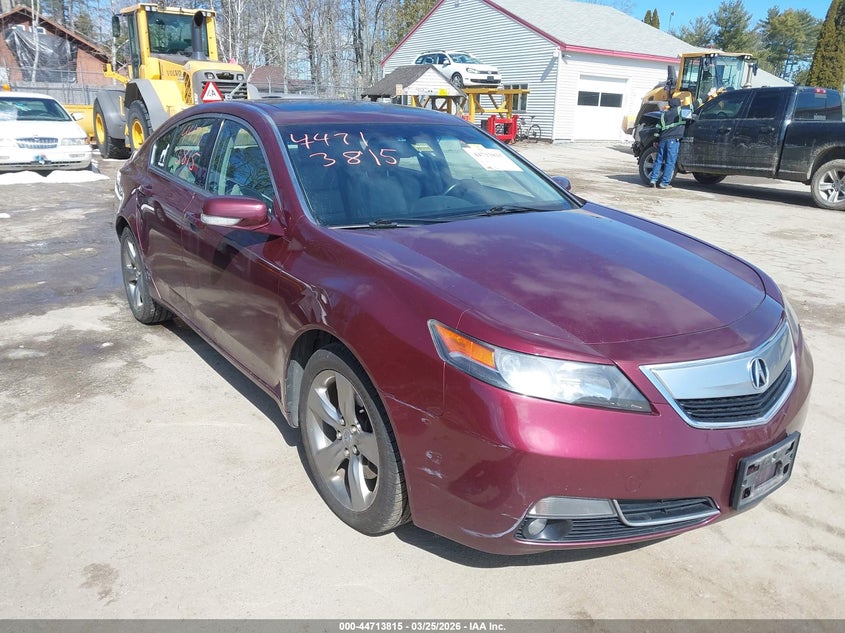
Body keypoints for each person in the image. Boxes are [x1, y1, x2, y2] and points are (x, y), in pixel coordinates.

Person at [648, 97, 686, 189]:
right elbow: (695, 104)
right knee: (670, 162)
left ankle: (653, 180)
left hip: (662, 140)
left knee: (659, 160)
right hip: (672, 140)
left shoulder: (664, 114)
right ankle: (664, 183)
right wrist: (708, 95)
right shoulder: (680, 111)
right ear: (678, 104)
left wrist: (656, 140)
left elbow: (657, 128)